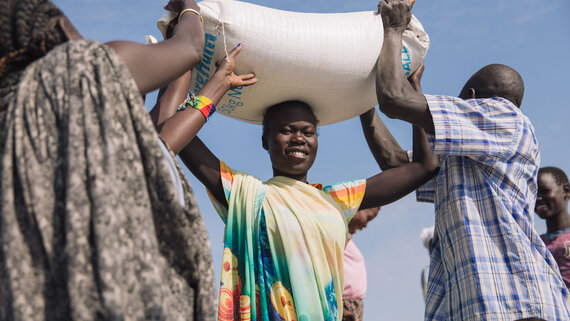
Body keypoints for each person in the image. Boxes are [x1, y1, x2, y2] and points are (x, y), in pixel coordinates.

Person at [0, 0, 254, 319]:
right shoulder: (84, 65)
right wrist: (189, 7)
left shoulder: (29, 138)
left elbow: (163, 124)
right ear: (61, 30)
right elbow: (190, 47)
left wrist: (211, 86)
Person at [158, 49, 440, 320]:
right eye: (285, 130)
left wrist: (413, 90)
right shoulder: (248, 195)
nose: (299, 138)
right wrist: (199, 70)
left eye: (308, 132)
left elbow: (424, 168)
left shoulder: (335, 200)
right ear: (265, 140)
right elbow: (169, 131)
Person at [373, 0, 570, 320]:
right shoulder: (462, 155)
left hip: (515, 304)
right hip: (473, 307)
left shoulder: (507, 120)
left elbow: (394, 100)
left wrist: (393, 30)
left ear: (475, 100)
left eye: (461, 99)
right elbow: (396, 163)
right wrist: (363, 102)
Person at [342, 206, 380, 321]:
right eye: (368, 218)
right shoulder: (338, 237)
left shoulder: (346, 239)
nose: (365, 226)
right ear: (358, 208)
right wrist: (340, 308)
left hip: (352, 306)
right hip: (343, 305)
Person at [536, 167, 570, 289]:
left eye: (544, 191)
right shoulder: (536, 244)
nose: (538, 198)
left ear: (565, 191)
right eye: (534, 193)